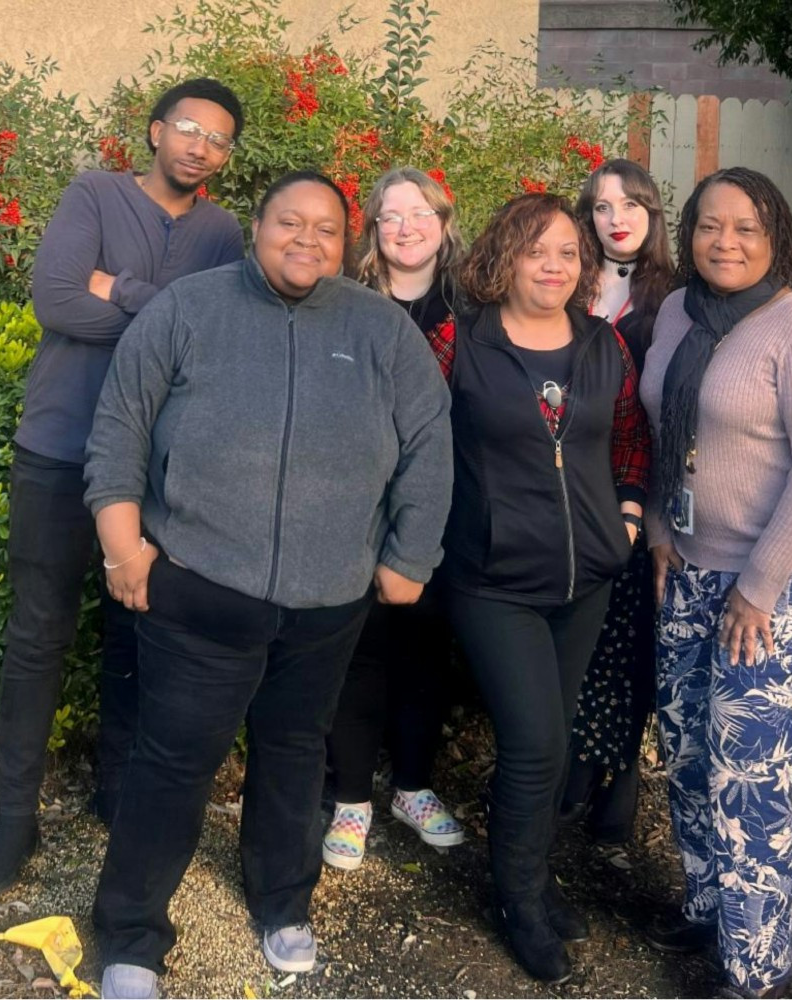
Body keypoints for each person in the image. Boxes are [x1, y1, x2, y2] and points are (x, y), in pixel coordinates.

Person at [83, 171, 453, 1000]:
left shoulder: (379, 328)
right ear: (258, 225)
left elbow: (430, 440)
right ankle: (133, 938)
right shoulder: (188, 310)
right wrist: (122, 549)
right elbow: (120, 429)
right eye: (292, 222)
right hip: (200, 592)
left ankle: (284, 902)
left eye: (327, 230)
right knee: (172, 763)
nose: (308, 241)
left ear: (345, 245)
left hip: (327, 602)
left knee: (293, 755)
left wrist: (408, 557)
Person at [0, 79, 248, 899]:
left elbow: (212, 342)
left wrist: (114, 288)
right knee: (38, 634)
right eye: (189, 128)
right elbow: (55, 299)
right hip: (60, 449)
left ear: (226, 158)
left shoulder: (225, 232)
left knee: (137, 636)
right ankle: (15, 817)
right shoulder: (93, 191)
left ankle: (117, 792)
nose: (200, 146)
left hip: (157, 470)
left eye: (217, 139)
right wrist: (162, 315)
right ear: (156, 132)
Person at [638, 166, 792, 1000]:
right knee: (690, 747)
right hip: (692, 563)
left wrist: (760, 585)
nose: (723, 242)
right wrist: (663, 530)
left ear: (778, 240)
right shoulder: (676, 311)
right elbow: (666, 427)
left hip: (785, 576)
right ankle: (709, 905)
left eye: (745, 227)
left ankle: (757, 964)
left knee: (756, 769)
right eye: (708, 225)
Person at [433, 192, 650, 984]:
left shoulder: (604, 347)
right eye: (536, 251)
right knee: (532, 745)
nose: (553, 265)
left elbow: (630, 438)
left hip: (585, 578)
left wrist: (624, 523)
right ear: (504, 259)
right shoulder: (459, 342)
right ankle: (518, 903)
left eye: (566, 251)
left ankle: (537, 879)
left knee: (553, 745)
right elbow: (416, 441)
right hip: (492, 581)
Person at [322, 167, 466, 870]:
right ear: (372, 231)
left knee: (424, 649)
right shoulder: (345, 304)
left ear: (443, 221)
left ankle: (412, 783)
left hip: (442, 507)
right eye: (390, 215)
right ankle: (351, 797)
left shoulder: (473, 309)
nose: (406, 226)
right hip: (354, 507)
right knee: (358, 648)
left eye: (420, 212)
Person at [560, 159, 674, 844]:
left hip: (640, 488)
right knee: (583, 636)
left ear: (652, 214)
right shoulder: (569, 281)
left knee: (631, 643)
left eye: (630, 204)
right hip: (570, 488)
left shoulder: (676, 297)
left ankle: (622, 772)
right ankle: (576, 763)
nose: (616, 218)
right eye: (601, 207)